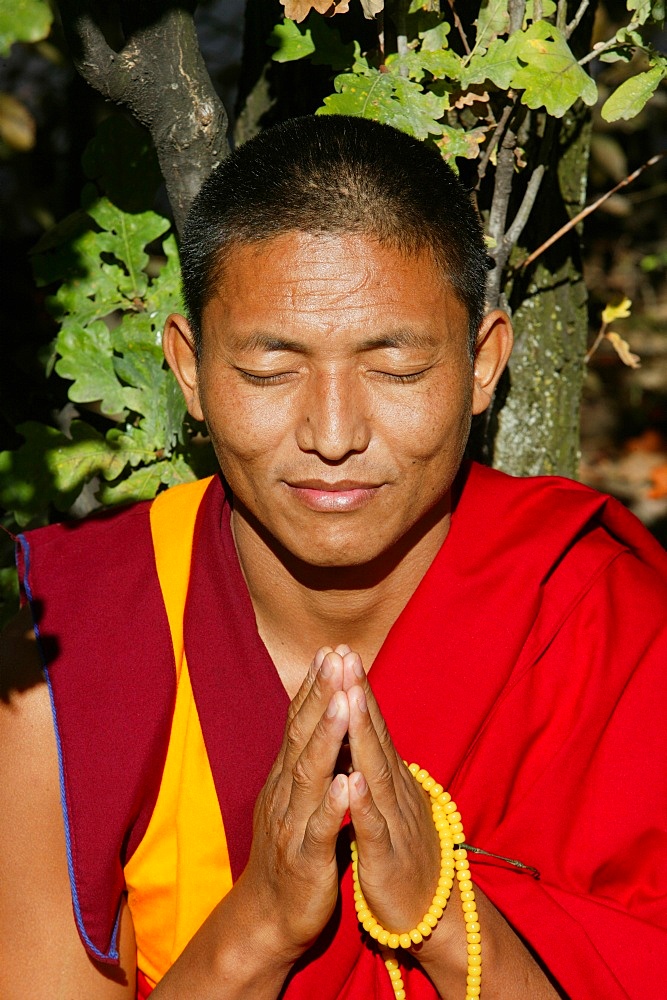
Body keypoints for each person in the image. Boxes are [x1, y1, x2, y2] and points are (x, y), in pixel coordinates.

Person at [1, 115, 665, 1000]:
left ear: (482, 363)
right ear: (189, 370)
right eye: (271, 371)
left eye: (395, 370)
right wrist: (262, 922)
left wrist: (442, 912)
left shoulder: (593, 613)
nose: (333, 435)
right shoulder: (69, 654)